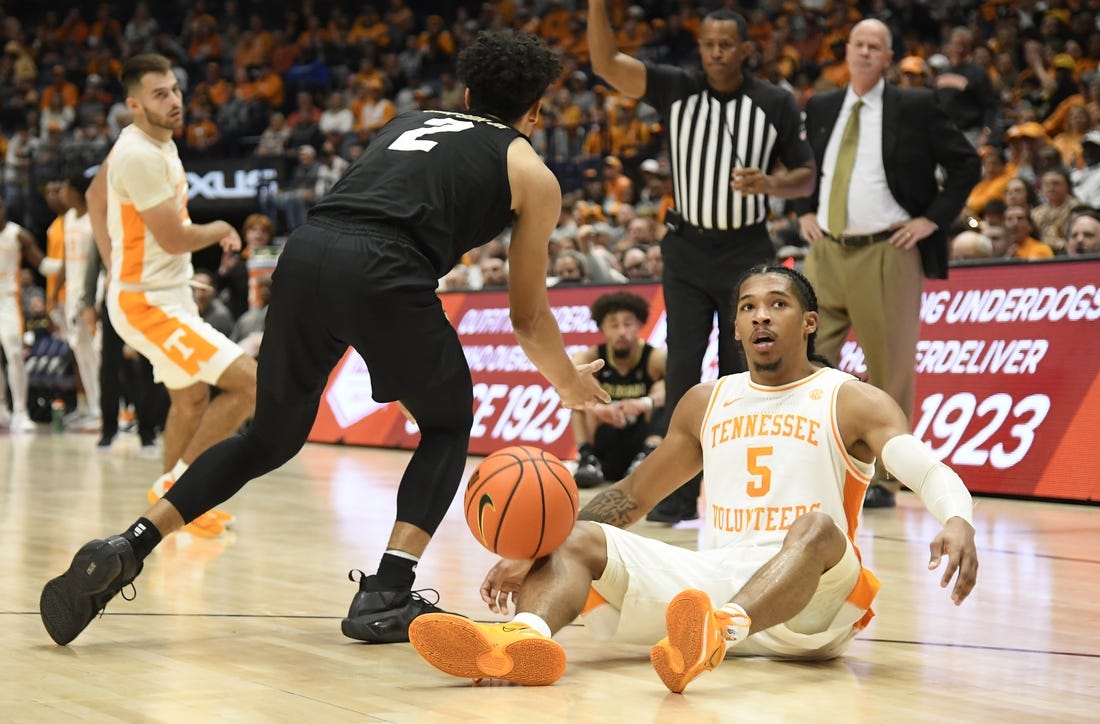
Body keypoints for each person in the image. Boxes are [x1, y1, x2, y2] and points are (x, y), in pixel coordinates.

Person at [39, 31, 610, 648]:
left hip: (306, 251)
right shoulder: (530, 169)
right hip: (387, 269)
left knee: (267, 436)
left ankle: (130, 544)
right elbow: (527, 319)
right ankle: (388, 588)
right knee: (447, 425)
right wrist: (568, 383)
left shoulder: (406, 121)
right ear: (535, 111)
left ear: (467, 92)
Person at [407, 265, 978, 691]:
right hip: (712, 583)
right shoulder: (707, 401)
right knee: (578, 534)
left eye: (777, 304)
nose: (760, 315)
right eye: (749, 306)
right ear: (734, 327)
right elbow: (632, 498)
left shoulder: (852, 399)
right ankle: (522, 640)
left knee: (818, 525)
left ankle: (719, 633)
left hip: (812, 596)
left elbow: (923, 467)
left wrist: (958, 517)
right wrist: (539, 549)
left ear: (808, 323)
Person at [588, 4, 816, 524]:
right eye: (708, 44)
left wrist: (772, 184)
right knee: (685, 369)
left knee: (745, 372)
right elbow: (604, 63)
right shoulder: (675, 87)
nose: (715, 53)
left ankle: (741, 491)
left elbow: (805, 176)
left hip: (747, 252)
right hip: (687, 249)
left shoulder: (774, 101)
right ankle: (674, 497)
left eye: (725, 44)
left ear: (744, 49)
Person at [793, 19, 980, 509]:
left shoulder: (915, 106)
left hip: (888, 251)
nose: (866, 53)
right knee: (802, 358)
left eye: (876, 47)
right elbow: (805, 164)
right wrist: (802, 209)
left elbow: (967, 164)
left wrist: (932, 220)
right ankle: (808, 464)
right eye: (859, 44)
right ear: (847, 50)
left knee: (889, 372)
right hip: (826, 249)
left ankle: (879, 479)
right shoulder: (823, 104)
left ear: (889, 57)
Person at [84, 54, 258, 534]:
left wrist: (114, 260)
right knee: (250, 385)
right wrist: (223, 225)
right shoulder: (138, 154)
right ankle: (178, 492)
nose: (175, 101)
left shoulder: (154, 142)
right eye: (161, 94)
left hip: (162, 294)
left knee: (192, 400)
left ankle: (178, 503)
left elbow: (95, 198)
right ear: (134, 104)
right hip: (146, 303)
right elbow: (176, 239)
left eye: (176, 90)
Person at [572, 291, 666, 489]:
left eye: (628, 324)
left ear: (640, 325)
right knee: (577, 394)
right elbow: (566, 379)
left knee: (665, 390)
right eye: (614, 325)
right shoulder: (593, 356)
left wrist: (644, 403)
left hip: (641, 435)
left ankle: (647, 456)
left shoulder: (654, 357)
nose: (621, 332)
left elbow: (682, 384)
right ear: (603, 328)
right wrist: (597, 409)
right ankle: (587, 459)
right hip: (607, 439)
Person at [1, 196, 60, 433]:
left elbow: (42, 264)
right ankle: (3, 409)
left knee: (14, 352)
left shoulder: (18, 235)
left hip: (8, 300)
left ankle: (21, 411)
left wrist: (64, 265)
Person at [59, 173, 102, 431]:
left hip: (91, 292)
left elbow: (98, 263)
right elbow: (66, 261)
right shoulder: (67, 220)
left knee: (98, 353)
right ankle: (94, 409)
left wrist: (94, 300)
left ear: (77, 191)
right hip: (72, 293)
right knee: (81, 353)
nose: (61, 194)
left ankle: (112, 409)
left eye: (65, 188)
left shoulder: (94, 218)